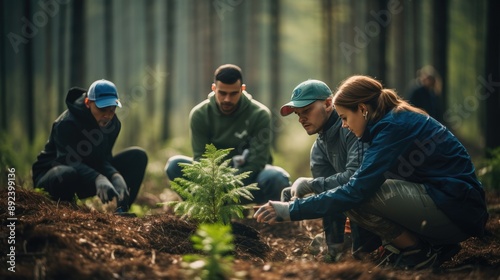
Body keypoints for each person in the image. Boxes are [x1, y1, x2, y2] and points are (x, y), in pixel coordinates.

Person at [254, 75, 489, 270]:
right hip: (451, 207)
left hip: (458, 211)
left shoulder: (392, 127)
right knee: (353, 194)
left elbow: (357, 189)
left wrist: (291, 210)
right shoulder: (386, 124)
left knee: (355, 194)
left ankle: (418, 251)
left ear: (363, 109)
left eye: (345, 117)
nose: (344, 124)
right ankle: (427, 245)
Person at [279, 79, 378, 262]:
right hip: (362, 209)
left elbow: (357, 180)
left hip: (385, 202)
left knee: (362, 253)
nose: (301, 118)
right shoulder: (318, 149)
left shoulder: (352, 128)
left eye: (306, 110)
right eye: (298, 114)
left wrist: (310, 185)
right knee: (345, 252)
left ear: (328, 103)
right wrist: (333, 250)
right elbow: (329, 196)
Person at [165, 64, 290, 204]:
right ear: (214, 89)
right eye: (222, 93)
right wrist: (216, 183)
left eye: (233, 93)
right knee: (175, 165)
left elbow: (257, 162)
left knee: (276, 177)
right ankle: (203, 212)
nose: (227, 99)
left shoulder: (259, 114)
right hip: (212, 182)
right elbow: (200, 158)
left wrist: (230, 184)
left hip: (249, 181)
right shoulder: (200, 114)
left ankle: (269, 219)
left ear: (242, 89)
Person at [32, 79, 148, 214]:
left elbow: (102, 158)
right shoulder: (66, 124)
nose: (107, 115)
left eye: (112, 109)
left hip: (86, 176)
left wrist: (115, 176)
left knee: (138, 156)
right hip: (54, 178)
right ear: (88, 103)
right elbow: (67, 161)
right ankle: (66, 213)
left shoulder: (112, 124)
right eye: (102, 109)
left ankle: (121, 211)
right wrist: (98, 178)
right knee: (67, 172)